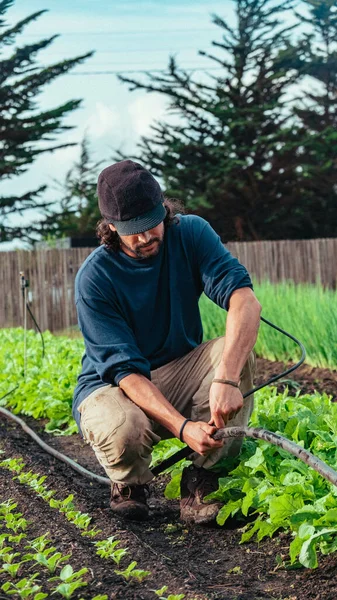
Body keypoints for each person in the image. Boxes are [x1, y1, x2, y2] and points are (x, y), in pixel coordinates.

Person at [73, 159, 261, 524]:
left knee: (234, 355)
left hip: (176, 370)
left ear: (164, 210)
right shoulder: (95, 278)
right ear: (110, 226)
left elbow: (245, 300)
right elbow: (125, 372)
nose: (144, 237)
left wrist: (225, 379)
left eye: (150, 224)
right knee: (124, 430)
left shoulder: (190, 234)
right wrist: (182, 427)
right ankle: (130, 482)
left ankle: (204, 479)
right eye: (132, 230)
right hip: (112, 385)